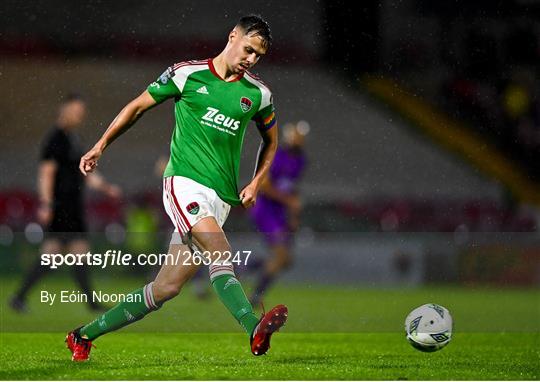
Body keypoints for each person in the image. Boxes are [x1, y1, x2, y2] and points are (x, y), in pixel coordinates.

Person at [66, 15, 288, 362]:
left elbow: (271, 142)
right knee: (220, 252)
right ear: (232, 36)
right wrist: (100, 145)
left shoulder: (258, 94)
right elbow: (138, 106)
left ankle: (82, 335)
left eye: (258, 55)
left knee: (166, 287)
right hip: (184, 184)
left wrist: (256, 182)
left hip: (222, 198)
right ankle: (252, 326)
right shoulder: (187, 73)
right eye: (248, 49)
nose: (251, 59)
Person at [9, 94, 121, 313]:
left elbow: (84, 173)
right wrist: (46, 204)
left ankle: (21, 297)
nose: (80, 116)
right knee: (57, 254)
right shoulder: (55, 139)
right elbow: (46, 173)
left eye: (82, 113)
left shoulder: (73, 139)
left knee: (74, 252)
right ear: (65, 110)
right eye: (77, 112)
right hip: (61, 206)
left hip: (72, 206)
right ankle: (20, 297)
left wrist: (106, 187)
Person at [248, 121, 308, 306]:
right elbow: (264, 185)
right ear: (289, 135)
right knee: (282, 256)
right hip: (265, 211)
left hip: (279, 212)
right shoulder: (277, 155)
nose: (299, 139)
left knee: (286, 260)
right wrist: (289, 201)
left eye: (302, 136)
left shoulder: (301, 160)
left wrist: (294, 213)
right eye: (297, 134)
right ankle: (255, 296)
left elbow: (291, 188)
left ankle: (245, 266)